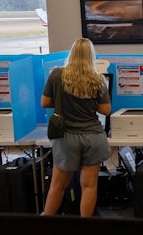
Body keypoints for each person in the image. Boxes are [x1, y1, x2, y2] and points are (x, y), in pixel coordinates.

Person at [41, 38, 111, 217]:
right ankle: (84, 230)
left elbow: (45, 102)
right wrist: (89, 101)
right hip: (92, 138)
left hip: (66, 138)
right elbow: (106, 109)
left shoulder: (57, 75)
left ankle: (45, 224)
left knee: (58, 185)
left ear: (71, 54)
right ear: (91, 56)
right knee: (89, 185)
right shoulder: (97, 79)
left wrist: (64, 103)